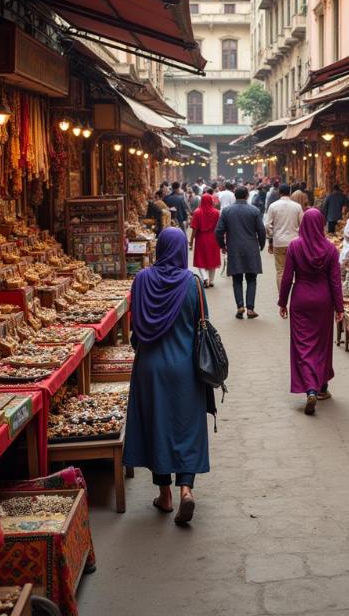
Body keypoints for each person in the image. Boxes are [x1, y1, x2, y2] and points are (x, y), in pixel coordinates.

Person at [124, 227, 215, 525]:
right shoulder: (192, 284)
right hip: (185, 369)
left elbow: (135, 325)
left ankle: (164, 495)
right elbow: (204, 324)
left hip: (150, 367)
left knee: (157, 426)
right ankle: (186, 490)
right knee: (187, 427)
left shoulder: (141, 280)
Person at [278, 209, 344, 415]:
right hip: (323, 300)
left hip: (301, 300)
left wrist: (282, 301)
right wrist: (339, 307)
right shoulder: (330, 249)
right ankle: (321, 386)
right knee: (322, 344)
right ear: (322, 224)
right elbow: (335, 281)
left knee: (303, 345)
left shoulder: (295, 246)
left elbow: (287, 277)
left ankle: (310, 389)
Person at [215, 185, 265, 319]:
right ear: (247, 196)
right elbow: (261, 230)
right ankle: (250, 309)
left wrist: (222, 245)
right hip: (251, 248)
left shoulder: (226, 211)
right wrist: (261, 244)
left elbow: (218, 231)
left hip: (234, 248)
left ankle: (240, 306)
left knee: (237, 279)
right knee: (251, 278)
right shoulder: (254, 210)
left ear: (235, 196)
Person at [266, 183, 303, 290]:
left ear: (279, 192)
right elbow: (303, 224)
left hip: (279, 242)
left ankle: (282, 297)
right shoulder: (297, 206)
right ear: (290, 192)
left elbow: (268, 225)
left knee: (280, 270)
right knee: (296, 269)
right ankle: (296, 294)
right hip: (295, 243)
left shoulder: (273, 206)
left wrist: (272, 238)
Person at [189, 193, 220, 287]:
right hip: (214, 238)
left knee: (201, 259)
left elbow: (194, 228)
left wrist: (191, 239)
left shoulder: (197, 212)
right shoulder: (216, 212)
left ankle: (205, 278)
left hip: (201, 238)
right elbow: (220, 227)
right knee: (212, 259)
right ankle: (211, 281)